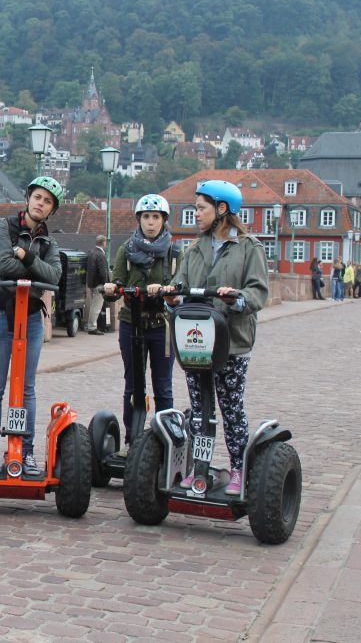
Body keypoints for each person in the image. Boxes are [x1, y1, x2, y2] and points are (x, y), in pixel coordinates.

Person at [163, 180, 268, 496]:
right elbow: (179, 285)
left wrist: (235, 298)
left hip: (232, 342)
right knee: (199, 409)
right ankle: (200, 468)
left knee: (230, 407)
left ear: (222, 209)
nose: (195, 214)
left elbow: (258, 291)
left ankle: (238, 469)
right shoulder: (193, 250)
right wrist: (171, 296)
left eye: (201, 208)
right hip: (196, 341)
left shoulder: (249, 247)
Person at [0, 176, 63, 475]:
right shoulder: (3, 226)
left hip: (30, 316)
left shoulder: (49, 242)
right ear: (28, 199)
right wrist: (33, 266)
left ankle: (25, 451)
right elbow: (3, 266)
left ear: (51, 209)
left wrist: (25, 255)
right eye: (38, 197)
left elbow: (54, 278)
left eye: (48, 201)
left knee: (27, 388)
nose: (41, 204)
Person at [102, 194, 181, 456]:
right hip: (131, 323)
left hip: (162, 325)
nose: (150, 222)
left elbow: (178, 289)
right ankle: (132, 441)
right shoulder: (127, 249)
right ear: (139, 219)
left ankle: (164, 442)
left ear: (163, 220)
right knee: (133, 384)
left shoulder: (173, 251)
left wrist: (168, 290)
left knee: (163, 385)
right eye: (146, 217)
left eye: (155, 217)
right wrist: (113, 288)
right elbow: (118, 282)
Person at [84, 234, 110, 334]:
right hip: (99, 285)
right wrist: (106, 284)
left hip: (91, 283)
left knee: (93, 305)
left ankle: (91, 325)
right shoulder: (101, 255)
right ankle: (92, 327)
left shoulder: (92, 253)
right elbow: (103, 272)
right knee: (96, 307)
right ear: (104, 243)